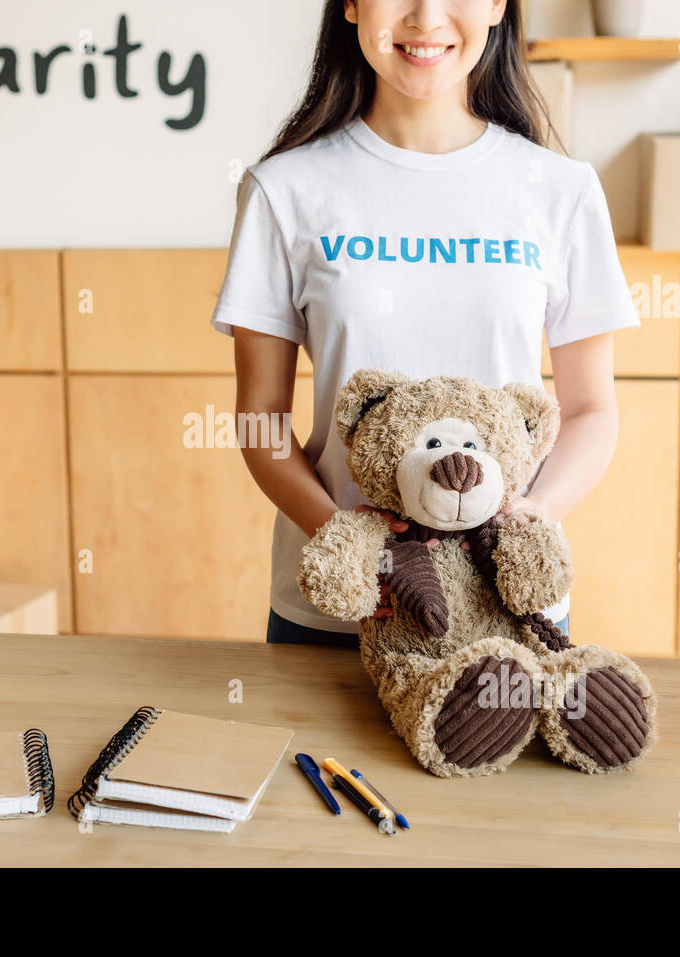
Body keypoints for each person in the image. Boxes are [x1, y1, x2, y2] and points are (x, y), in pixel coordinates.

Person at [210, 0, 639, 645]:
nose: (426, 17)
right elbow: (260, 417)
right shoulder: (284, 190)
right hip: (342, 613)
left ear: (497, 5)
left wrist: (531, 518)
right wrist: (350, 542)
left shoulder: (560, 190)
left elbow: (590, 411)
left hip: (505, 607)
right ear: (352, 5)